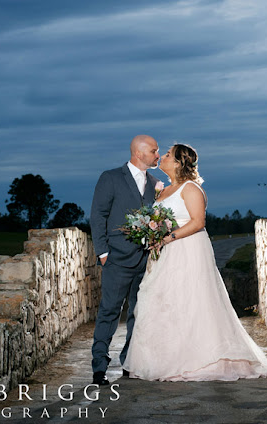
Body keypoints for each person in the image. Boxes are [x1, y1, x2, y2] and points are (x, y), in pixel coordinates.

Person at [123, 143, 267, 381]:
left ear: (179, 163)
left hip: (187, 249)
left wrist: (167, 238)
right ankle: (165, 358)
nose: (162, 157)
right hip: (166, 253)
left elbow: (198, 221)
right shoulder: (164, 190)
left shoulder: (190, 188)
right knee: (162, 300)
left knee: (190, 300)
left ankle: (198, 359)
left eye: (168, 155)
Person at [90, 135, 161, 385]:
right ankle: (99, 367)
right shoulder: (110, 178)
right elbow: (98, 214)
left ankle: (130, 362)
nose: (157, 155)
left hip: (146, 261)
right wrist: (103, 252)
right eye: (154, 151)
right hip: (117, 259)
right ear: (139, 153)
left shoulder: (156, 183)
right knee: (109, 312)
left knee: (138, 313)